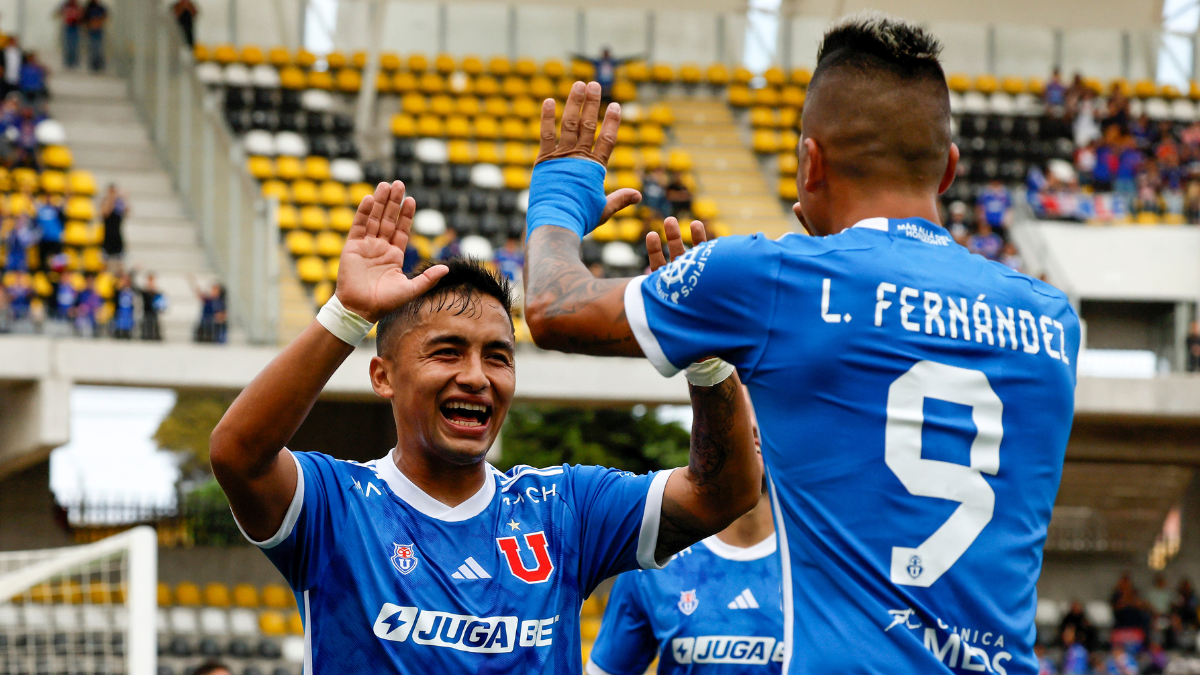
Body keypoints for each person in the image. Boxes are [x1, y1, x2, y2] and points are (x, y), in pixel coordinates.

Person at [521, 14, 1078, 674]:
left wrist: (559, 196)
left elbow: (551, 308)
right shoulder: (1052, 320)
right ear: (949, 168)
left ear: (811, 163)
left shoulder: (777, 281)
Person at [208, 181, 762, 672]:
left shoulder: (566, 509)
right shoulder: (338, 505)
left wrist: (706, 363)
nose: (476, 377)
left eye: (498, 357)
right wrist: (346, 314)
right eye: (447, 352)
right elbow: (238, 454)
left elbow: (725, 491)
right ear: (383, 377)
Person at [587, 386, 781, 675]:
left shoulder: (826, 561)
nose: (751, 424)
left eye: (765, 411)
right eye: (735, 412)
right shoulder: (653, 562)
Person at [100, 184, 127, 262]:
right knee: (106, 262)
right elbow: (106, 213)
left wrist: (125, 197)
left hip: (117, 237)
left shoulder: (119, 204)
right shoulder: (105, 203)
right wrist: (111, 198)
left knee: (120, 262)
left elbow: (127, 212)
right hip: (107, 238)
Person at [134, 271, 163, 340]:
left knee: (154, 328)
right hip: (146, 313)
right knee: (146, 328)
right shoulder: (144, 292)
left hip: (154, 314)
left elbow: (160, 302)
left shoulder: (156, 292)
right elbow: (135, 288)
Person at [82, 0, 108, 72]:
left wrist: (99, 22)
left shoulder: (100, 8)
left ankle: (99, 65)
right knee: (92, 48)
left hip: (98, 30)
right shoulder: (88, 8)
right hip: (91, 31)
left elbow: (105, 16)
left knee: (99, 48)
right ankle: (93, 66)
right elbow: (84, 19)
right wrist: (88, 26)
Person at [58, 0, 84, 69]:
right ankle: (68, 62)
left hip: (76, 26)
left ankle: (75, 62)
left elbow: (81, 15)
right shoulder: (65, 6)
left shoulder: (78, 7)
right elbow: (60, 13)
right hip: (68, 26)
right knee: (67, 44)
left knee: (75, 45)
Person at [112, 273, 136, 339]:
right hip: (119, 316)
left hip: (129, 316)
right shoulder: (118, 292)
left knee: (127, 335)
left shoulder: (132, 291)